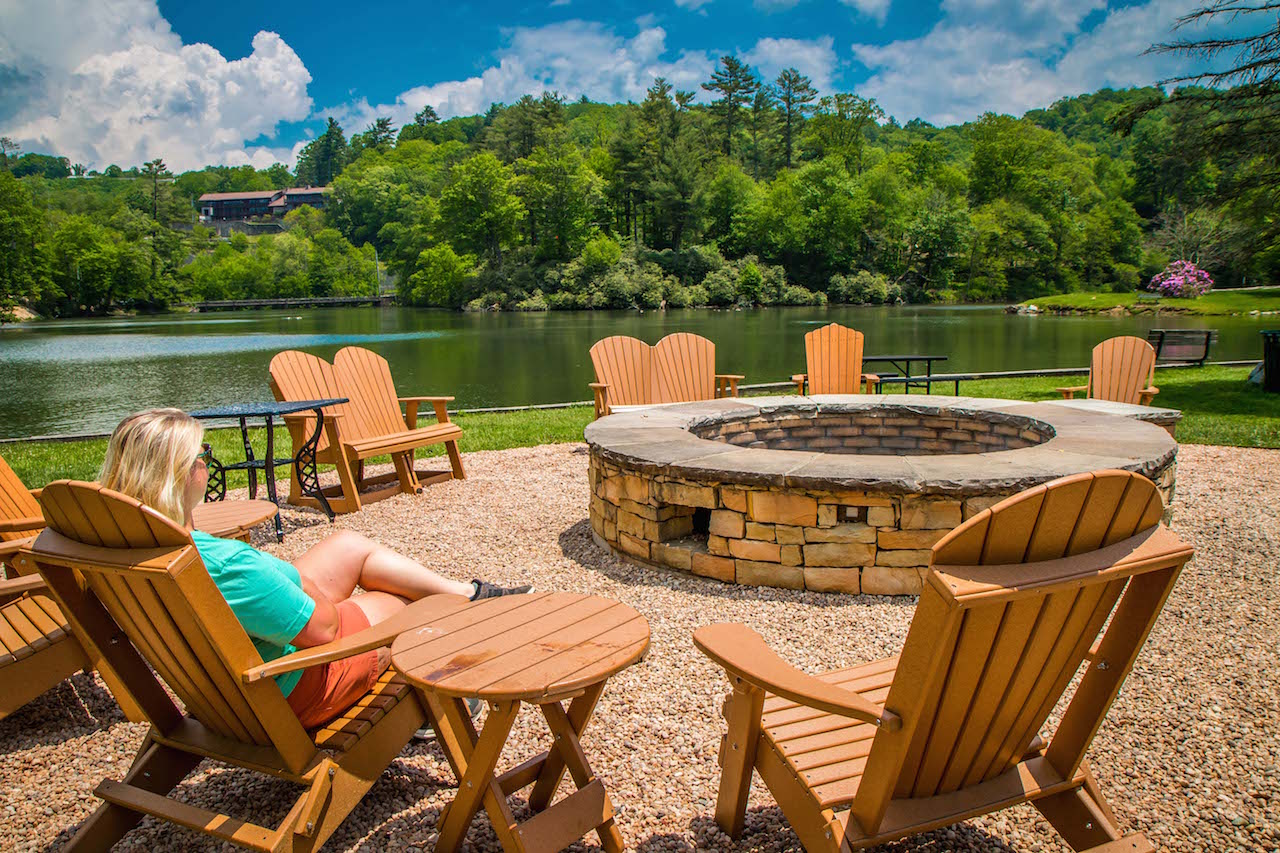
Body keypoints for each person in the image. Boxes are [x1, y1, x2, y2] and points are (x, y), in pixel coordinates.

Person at [98, 408, 531, 730]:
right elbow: (322, 629)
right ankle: (430, 703)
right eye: (201, 454)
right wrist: (296, 584)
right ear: (178, 473)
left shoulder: (114, 544)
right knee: (401, 601)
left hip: (222, 680)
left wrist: (278, 578)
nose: (206, 463)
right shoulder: (221, 563)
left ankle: (469, 593)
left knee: (348, 545)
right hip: (290, 688)